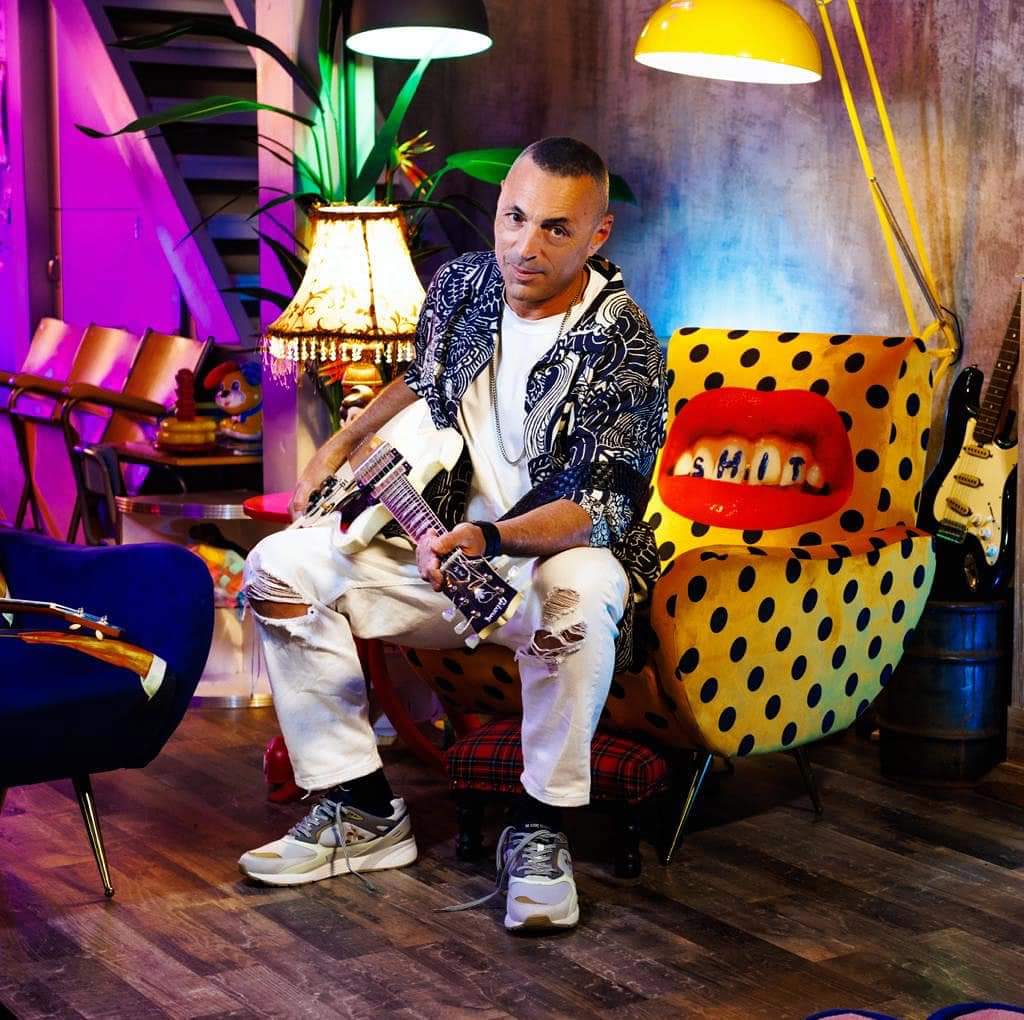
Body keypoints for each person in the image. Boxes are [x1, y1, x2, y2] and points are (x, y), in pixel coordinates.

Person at [240, 137, 667, 932]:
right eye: (514, 217)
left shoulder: (626, 343)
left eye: (555, 229)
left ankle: (539, 829)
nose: (524, 246)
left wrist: (491, 537)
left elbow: (600, 508)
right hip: (440, 557)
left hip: (543, 567)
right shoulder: (465, 284)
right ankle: (361, 808)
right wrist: (338, 445)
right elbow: (423, 376)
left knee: (581, 590)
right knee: (277, 568)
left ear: (598, 234)